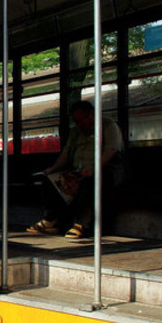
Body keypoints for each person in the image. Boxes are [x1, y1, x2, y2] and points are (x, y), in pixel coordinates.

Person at [27, 101, 125, 239]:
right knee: (50, 180)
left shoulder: (108, 126)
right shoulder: (75, 131)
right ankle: (51, 220)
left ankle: (82, 224)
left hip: (104, 171)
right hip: (78, 172)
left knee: (91, 182)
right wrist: (53, 169)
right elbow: (66, 154)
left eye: (81, 120)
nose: (79, 125)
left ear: (91, 114)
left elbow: (112, 150)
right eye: (76, 122)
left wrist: (94, 168)